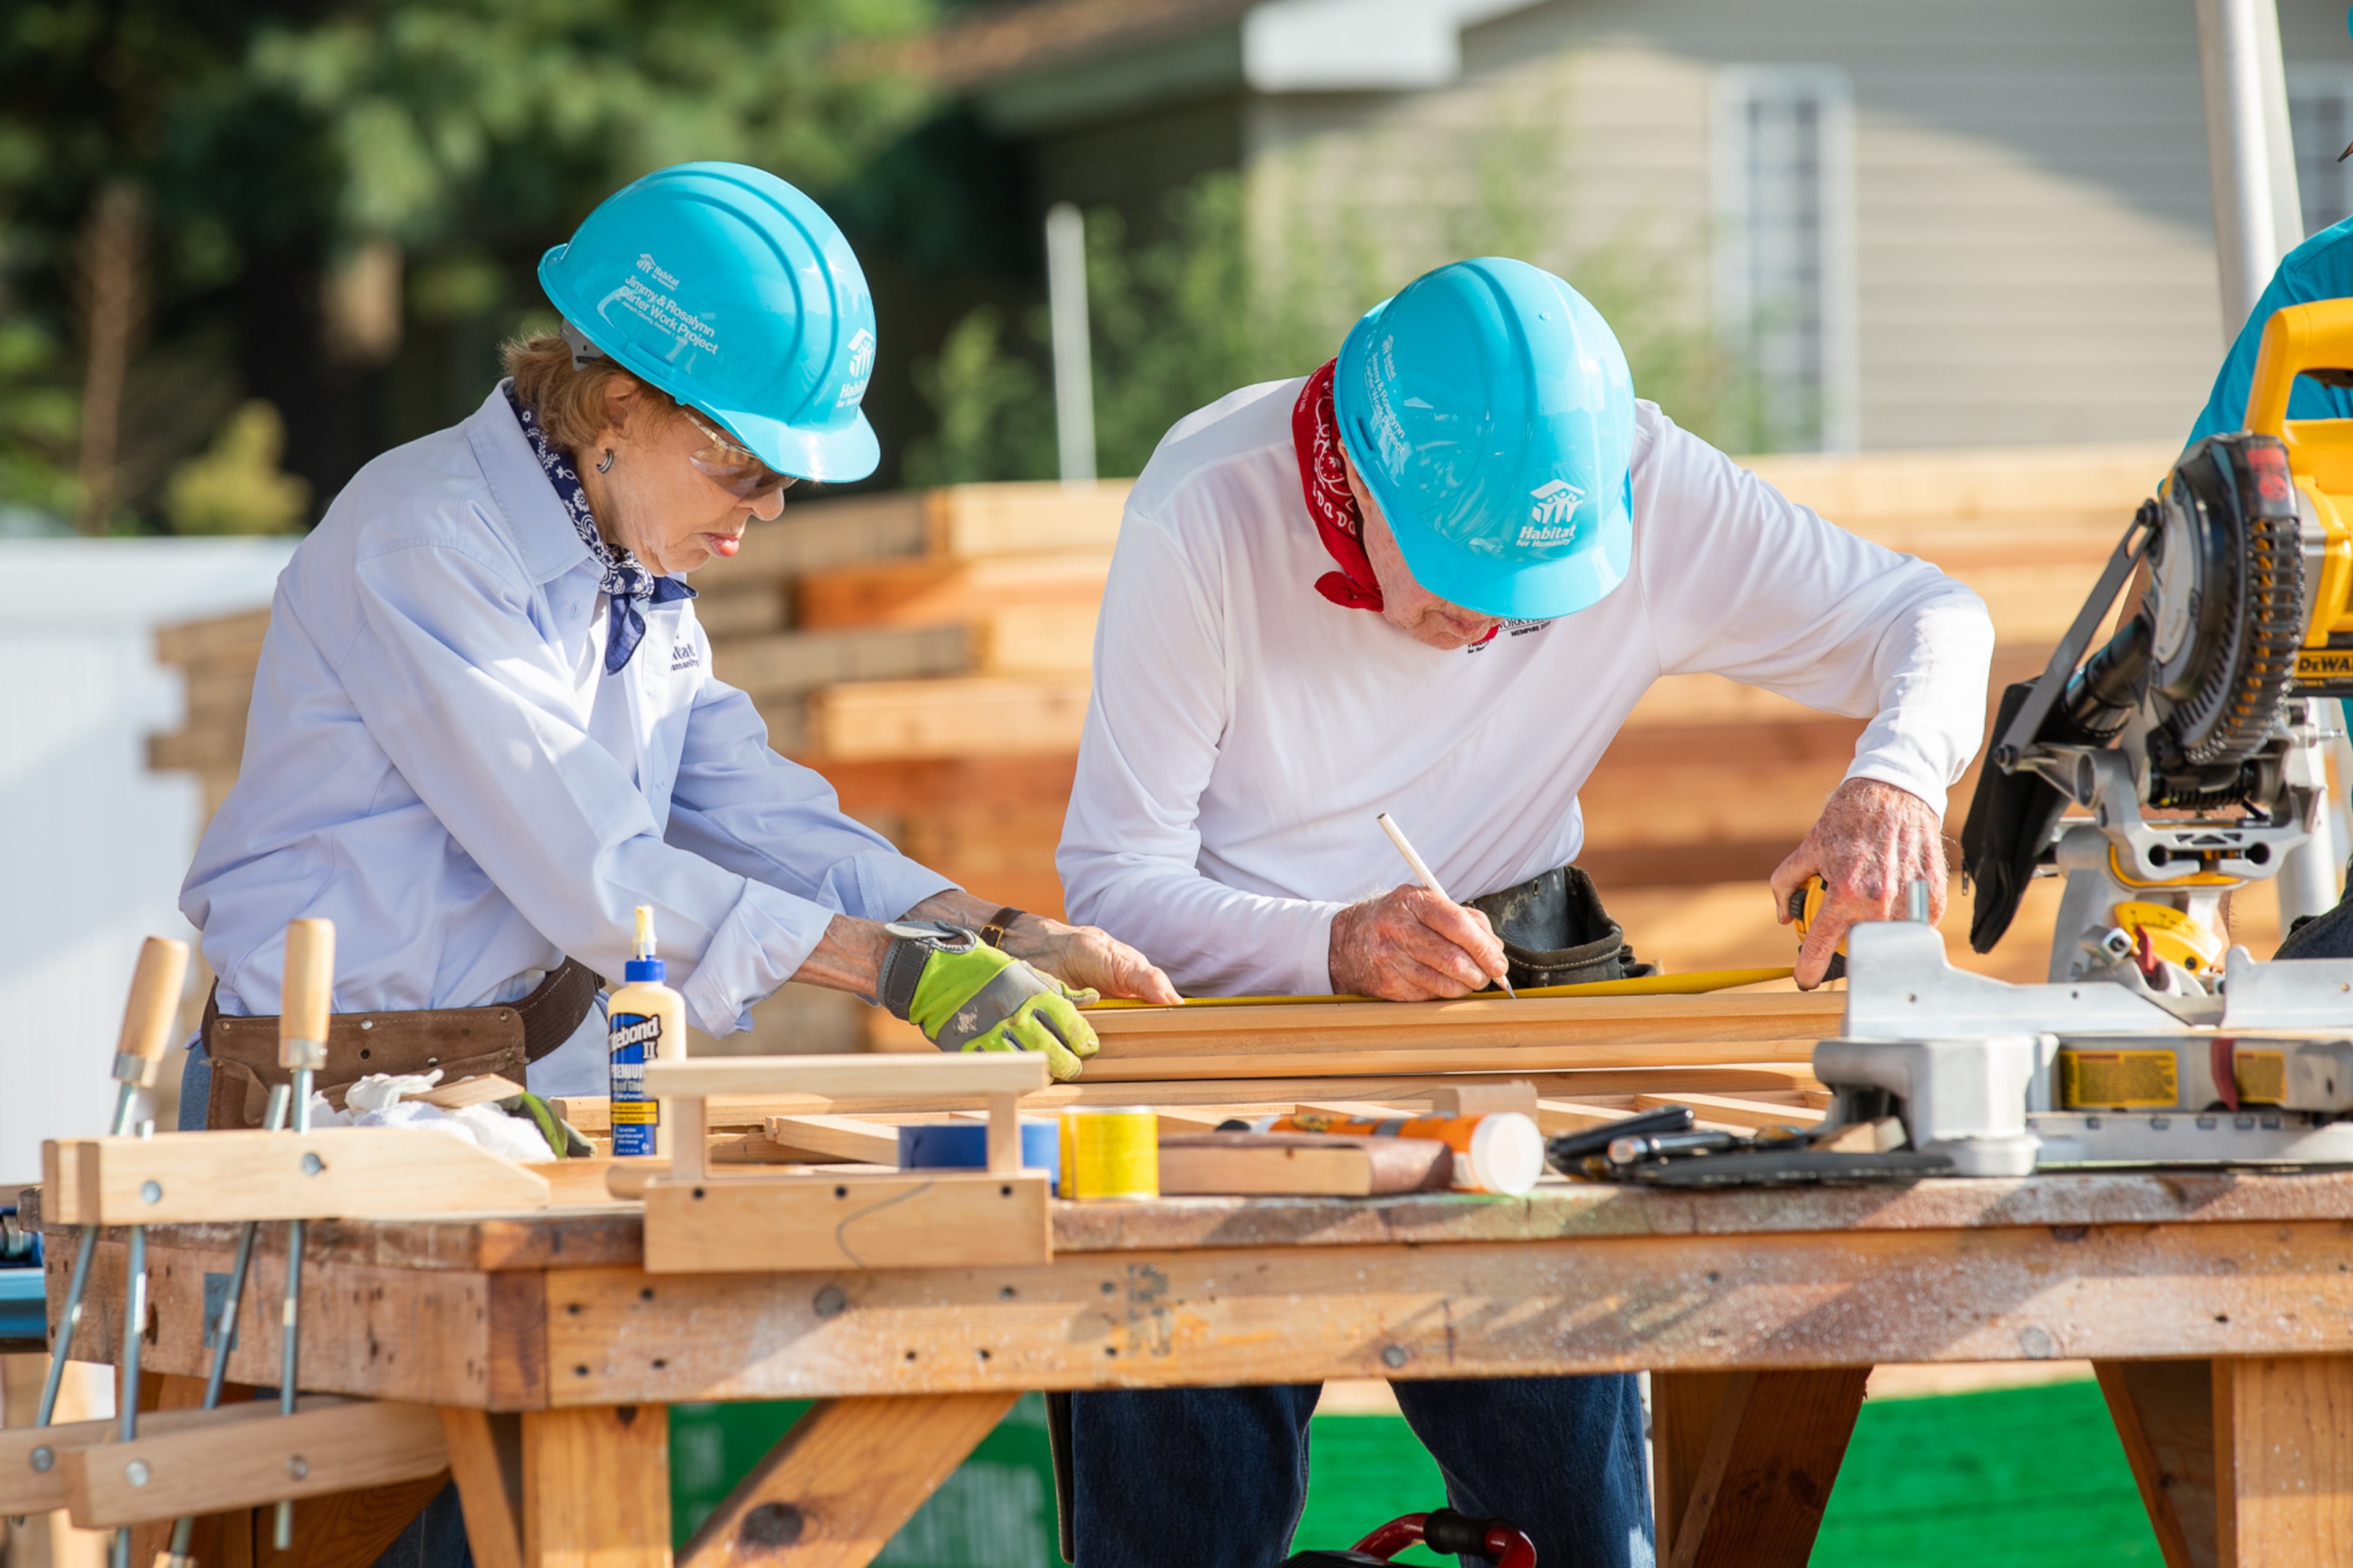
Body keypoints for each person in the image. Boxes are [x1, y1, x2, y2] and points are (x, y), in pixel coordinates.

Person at [1055, 257, 1994, 1565]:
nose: (1491, 620)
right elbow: (1110, 886)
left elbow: (1932, 612)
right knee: (1183, 1534)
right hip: (1226, 1037)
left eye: (1529, 593)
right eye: (1459, 577)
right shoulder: (1208, 503)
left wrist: (1895, 774)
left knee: (1579, 1531)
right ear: (1359, 473)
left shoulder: (1648, 486)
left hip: (1508, 1018)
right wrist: (1330, 942)